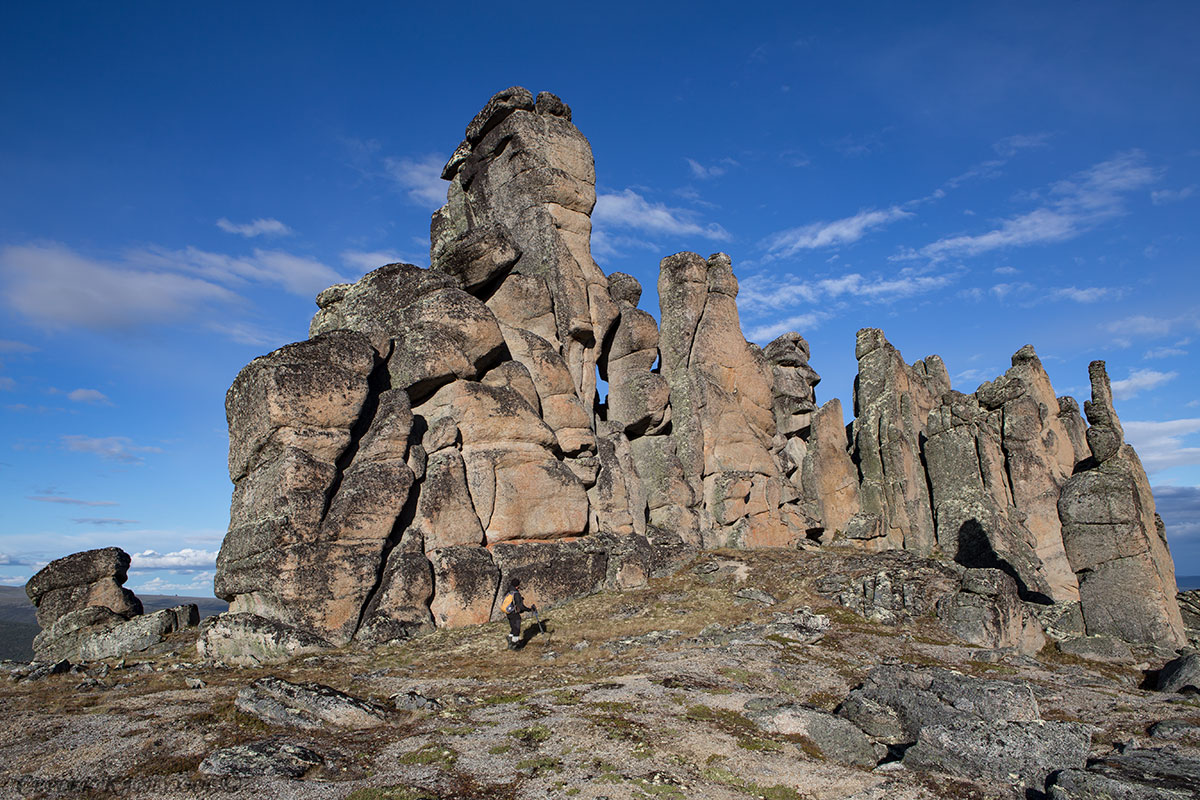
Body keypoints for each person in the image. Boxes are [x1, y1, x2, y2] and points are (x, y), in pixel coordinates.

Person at [501, 577, 536, 650]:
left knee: (513, 627)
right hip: (514, 613)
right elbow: (521, 606)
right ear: (517, 586)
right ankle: (515, 645)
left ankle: (510, 639)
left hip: (508, 613)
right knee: (517, 628)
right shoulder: (516, 594)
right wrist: (530, 610)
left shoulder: (509, 592)